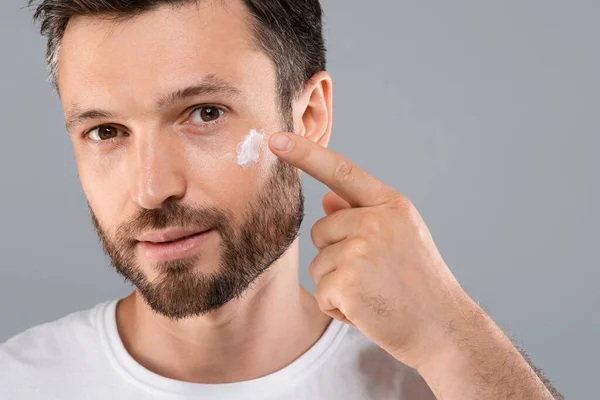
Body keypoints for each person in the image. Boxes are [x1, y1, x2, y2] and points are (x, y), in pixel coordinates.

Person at [0, 1, 563, 399]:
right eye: (106, 132)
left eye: (205, 114)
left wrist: (456, 342)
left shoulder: (443, 383)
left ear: (309, 115)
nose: (151, 188)